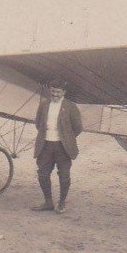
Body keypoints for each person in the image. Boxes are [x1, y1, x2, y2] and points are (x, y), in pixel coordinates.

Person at [31, 78, 83, 214]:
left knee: (64, 176)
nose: (54, 94)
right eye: (53, 91)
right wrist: (47, 137)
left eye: (58, 92)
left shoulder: (71, 106)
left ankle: (61, 203)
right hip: (45, 145)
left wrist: (66, 139)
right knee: (42, 174)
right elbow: (38, 124)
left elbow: (78, 128)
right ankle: (48, 202)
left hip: (63, 147)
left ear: (64, 92)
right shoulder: (44, 104)